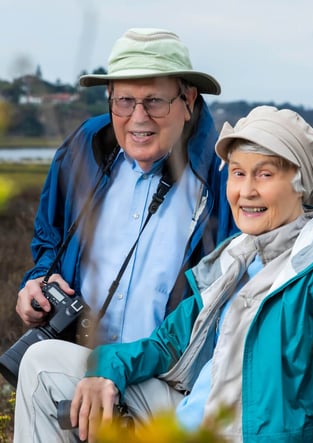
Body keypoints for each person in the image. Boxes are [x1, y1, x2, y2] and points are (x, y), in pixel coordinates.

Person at [14, 106, 313, 442]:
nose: (245, 191)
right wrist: (105, 372)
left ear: (301, 182)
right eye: (237, 173)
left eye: (264, 175)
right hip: (188, 423)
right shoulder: (233, 258)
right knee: (43, 362)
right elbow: (165, 346)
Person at [14, 28, 237, 346]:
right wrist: (38, 280)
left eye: (155, 102)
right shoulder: (84, 147)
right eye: (124, 101)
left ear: (188, 101)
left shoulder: (226, 174)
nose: (138, 117)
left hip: (168, 383)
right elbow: (50, 237)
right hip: (80, 361)